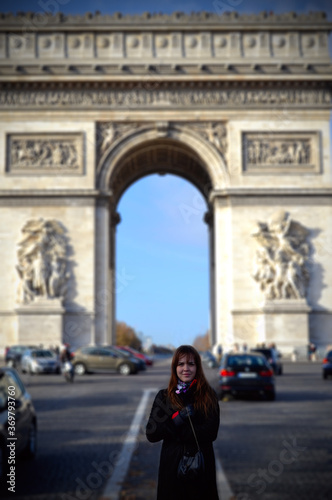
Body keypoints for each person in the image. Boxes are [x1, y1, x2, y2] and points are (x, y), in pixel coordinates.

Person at [146, 345, 220, 500]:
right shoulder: (164, 397)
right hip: (172, 468)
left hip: (201, 468)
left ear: (198, 367)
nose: (186, 368)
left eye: (191, 364)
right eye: (181, 364)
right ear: (174, 368)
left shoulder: (208, 395)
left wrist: (174, 430)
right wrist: (177, 420)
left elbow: (211, 432)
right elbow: (152, 434)